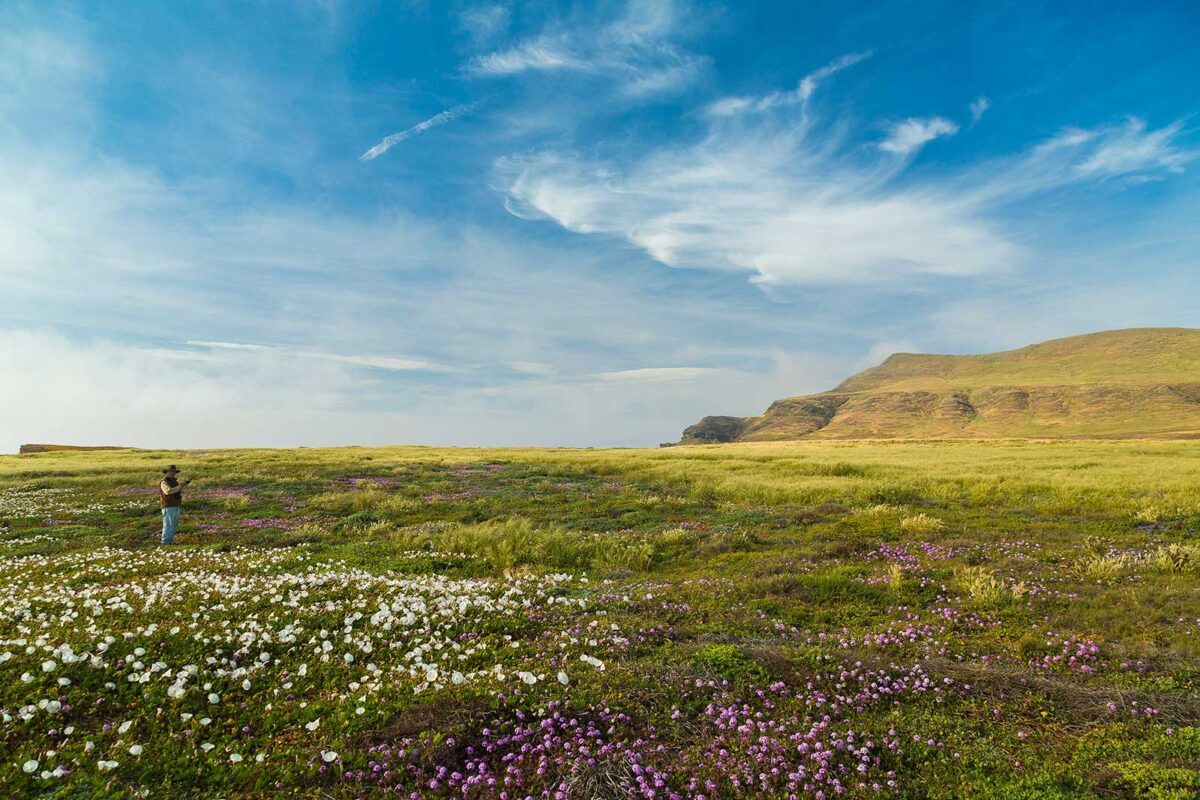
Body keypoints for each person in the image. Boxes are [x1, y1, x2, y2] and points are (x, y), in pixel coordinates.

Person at [159, 465, 191, 545]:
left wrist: (181, 485)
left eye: (174, 471)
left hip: (175, 505)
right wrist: (181, 485)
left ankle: (169, 542)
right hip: (168, 506)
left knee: (173, 525)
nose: (172, 473)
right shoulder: (164, 482)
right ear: (167, 472)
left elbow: (175, 491)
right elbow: (168, 491)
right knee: (168, 525)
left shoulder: (174, 481)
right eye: (171, 471)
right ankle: (165, 543)